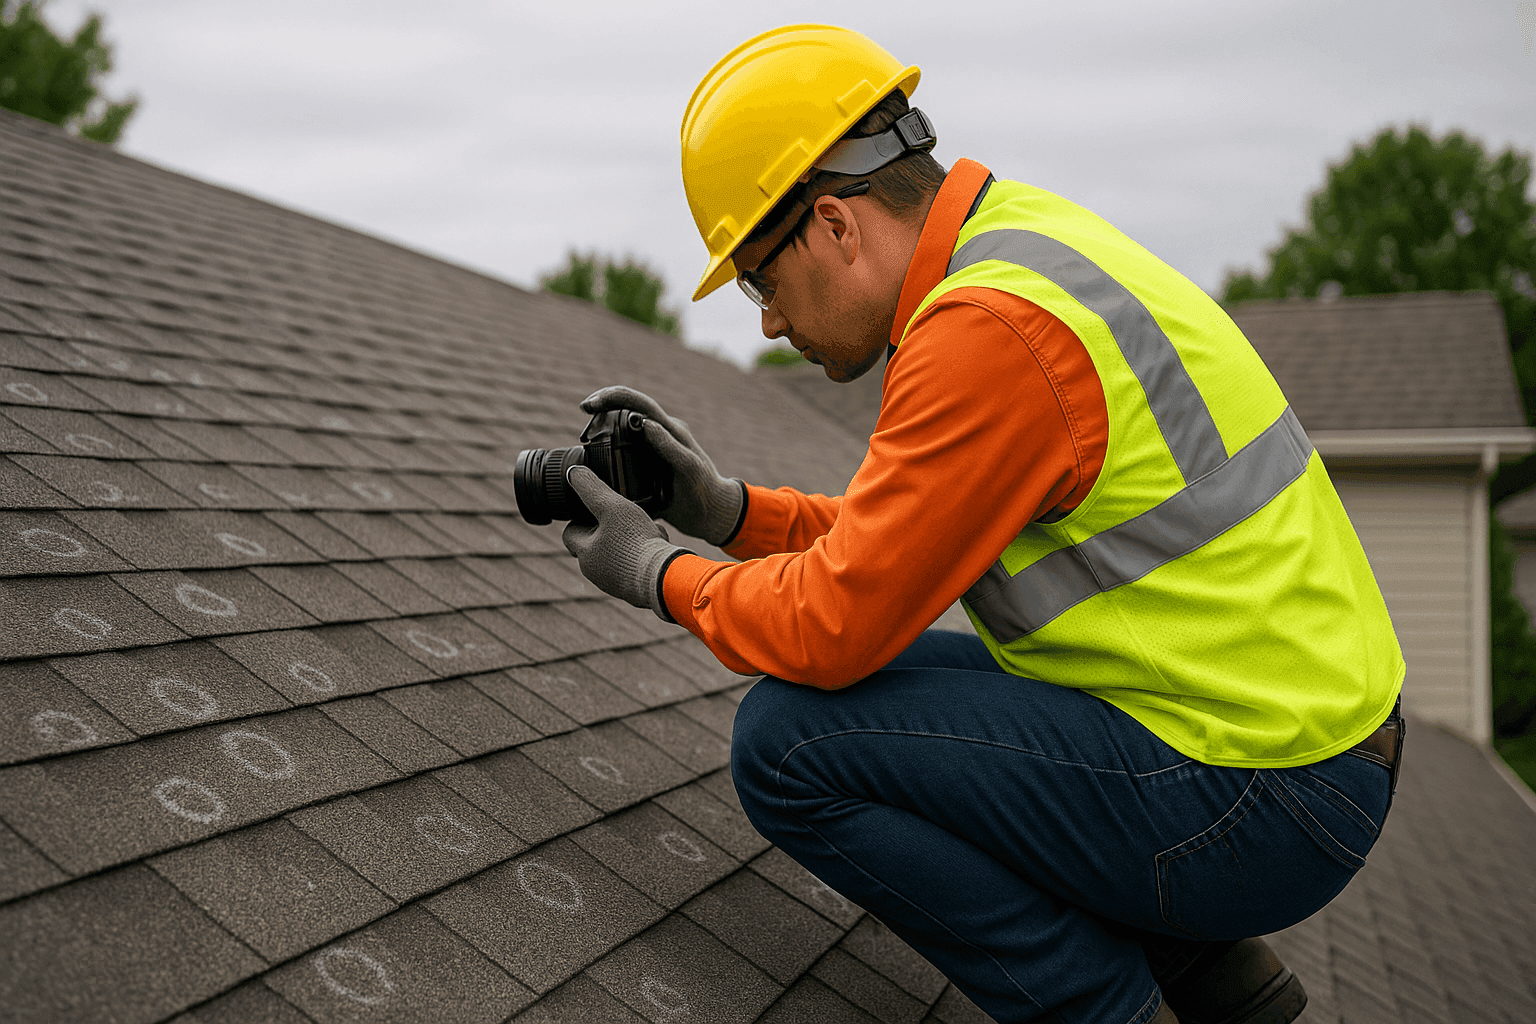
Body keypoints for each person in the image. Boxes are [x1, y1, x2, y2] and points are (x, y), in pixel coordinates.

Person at [560, 24, 1405, 1024]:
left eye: (761, 278)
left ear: (835, 224)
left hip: (1261, 797)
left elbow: (833, 621)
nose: (769, 323)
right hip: (1280, 742)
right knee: (913, 685)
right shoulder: (1022, 249)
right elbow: (905, 539)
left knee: (789, 740)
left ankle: (1104, 1007)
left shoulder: (987, 335)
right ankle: (1209, 968)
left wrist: (653, 570)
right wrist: (724, 512)